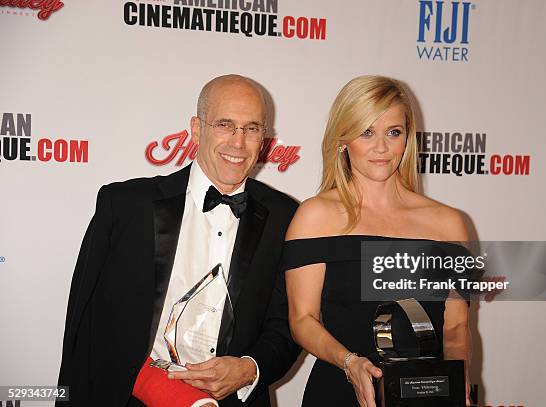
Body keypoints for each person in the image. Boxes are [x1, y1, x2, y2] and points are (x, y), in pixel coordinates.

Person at [57, 75, 301, 407]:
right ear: (197, 129)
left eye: (252, 128)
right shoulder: (126, 206)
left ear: (264, 139)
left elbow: (289, 324)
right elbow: (85, 324)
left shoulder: (285, 216)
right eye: (225, 125)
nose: (239, 143)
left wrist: (248, 369)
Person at [283, 75, 472, 407]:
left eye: (393, 132)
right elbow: (302, 319)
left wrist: (459, 383)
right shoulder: (315, 217)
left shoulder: (449, 224)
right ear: (342, 139)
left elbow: (456, 326)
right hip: (341, 389)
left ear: (407, 138)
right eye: (366, 132)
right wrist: (349, 362)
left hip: (428, 395)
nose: (382, 147)